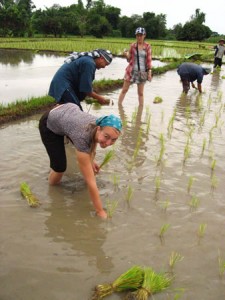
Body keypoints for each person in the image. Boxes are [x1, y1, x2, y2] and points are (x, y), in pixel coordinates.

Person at [39, 103, 122, 219]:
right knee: (59, 168)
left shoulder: (98, 124)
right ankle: (52, 187)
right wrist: (100, 211)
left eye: (113, 140)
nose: (108, 143)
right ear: (98, 129)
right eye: (106, 137)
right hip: (49, 123)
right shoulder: (82, 137)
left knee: (83, 157)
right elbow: (91, 182)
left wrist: (91, 161)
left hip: (67, 112)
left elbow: (92, 143)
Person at [48, 49, 113, 111]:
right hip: (63, 86)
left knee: (66, 111)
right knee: (77, 113)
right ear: (101, 58)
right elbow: (86, 89)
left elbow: (83, 84)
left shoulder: (87, 60)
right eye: (106, 64)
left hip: (61, 85)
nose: (104, 67)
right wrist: (100, 98)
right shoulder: (89, 63)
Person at [118, 27, 152, 106]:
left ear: (144, 35)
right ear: (136, 36)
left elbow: (149, 60)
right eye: (137, 35)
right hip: (131, 71)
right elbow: (129, 58)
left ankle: (140, 110)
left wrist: (149, 72)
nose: (139, 37)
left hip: (142, 72)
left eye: (141, 35)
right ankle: (119, 106)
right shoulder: (133, 45)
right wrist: (126, 54)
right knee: (124, 90)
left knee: (140, 93)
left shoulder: (147, 46)